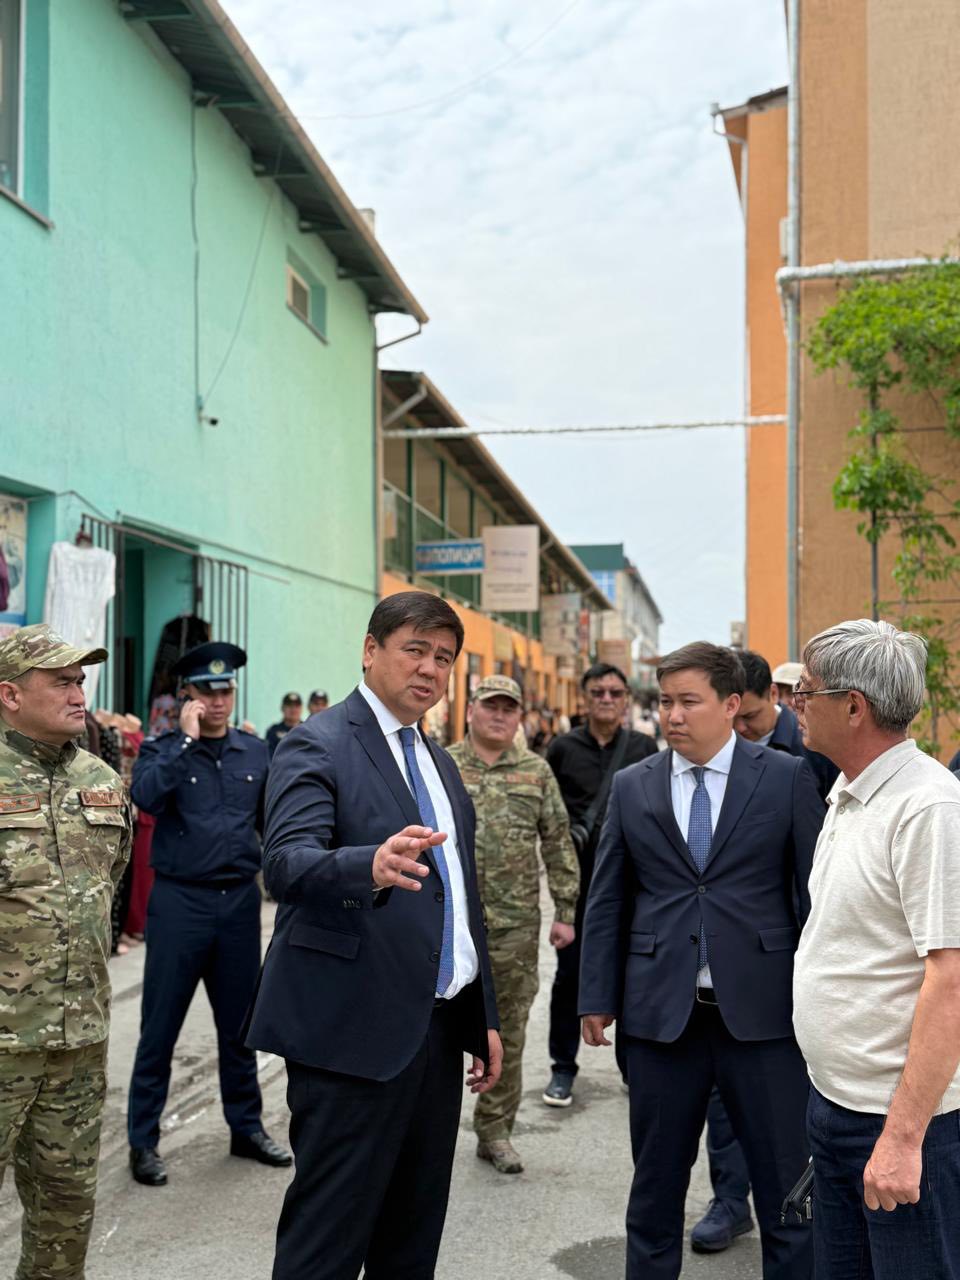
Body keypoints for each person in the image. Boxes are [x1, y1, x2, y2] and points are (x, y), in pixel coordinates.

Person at [245, 590, 501, 1280]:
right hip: (349, 1032)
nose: (430, 669)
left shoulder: (440, 762)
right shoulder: (317, 741)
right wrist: (370, 865)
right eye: (415, 650)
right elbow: (285, 862)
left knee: (411, 1241)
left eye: (443, 658)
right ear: (370, 650)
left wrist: (482, 1017)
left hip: (436, 1033)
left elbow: (460, 899)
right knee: (326, 1243)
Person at [580, 641, 823, 1280]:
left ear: (731, 704)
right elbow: (607, 898)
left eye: (689, 701)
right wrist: (596, 996)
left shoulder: (785, 777)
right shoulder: (633, 786)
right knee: (654, 1195)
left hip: (765, 1018)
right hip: (661, 1020)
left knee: (789, 1199)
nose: (673, 715)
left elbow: (812, 897)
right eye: (666, 702)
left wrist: (822, 1000)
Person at [792, 619, 960, 1277]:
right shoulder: (851, 791)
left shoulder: (929, 807)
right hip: (838, 1105)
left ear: (853, 706)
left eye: (808, 690)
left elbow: (950, 978)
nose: (796, 702)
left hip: (901, 1126)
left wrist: (903, 1138)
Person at [687, 647, 835, 1255]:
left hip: (778, 969)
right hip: (714, 975)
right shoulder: (709, 761)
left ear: (770, 700)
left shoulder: (811, 754)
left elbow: (812, 878)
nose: (741, 730)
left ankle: (792, 1211)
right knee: (720, 1101)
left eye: (749, 718)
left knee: (780, 1118)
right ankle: (729, 1201)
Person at [127, 641, 290, 1187]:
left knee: (240, 1028)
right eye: (206, 691)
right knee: (160, 1029)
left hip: (238, 903)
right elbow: (147, 798)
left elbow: (272, 823)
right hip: (180, 904)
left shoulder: (255, 752)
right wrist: (185, 741)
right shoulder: (162, 749)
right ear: (187, 696)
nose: (218, 701)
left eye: (226, 691)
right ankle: (143, 1142)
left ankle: (246, 1129)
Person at [0, 623, 131, 1280]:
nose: (79, 694)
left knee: (65, 1216)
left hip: (78, 1043)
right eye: (61, 682)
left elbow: (111, 885)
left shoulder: (101, 780)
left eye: (80, 680)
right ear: (10, 695)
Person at [449, 675, 579, 1174]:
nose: (499, 715)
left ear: (519, 717)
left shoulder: (536, 772)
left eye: (509, 708)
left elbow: (558, 841)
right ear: (471, 711)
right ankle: (427, 1130)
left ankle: (495, 1130)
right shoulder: (442, 765)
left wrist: (566, 910)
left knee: (508, 1030)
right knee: (434, 1031)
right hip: (448, 926)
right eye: (490, 706)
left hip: (514, 927)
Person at [543, 662, 658, 1107]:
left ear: (626, 699)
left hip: (633, 882)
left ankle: (632, 1067)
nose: (606, 699)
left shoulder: (644, 747)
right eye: (598, 692)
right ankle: (562, 1068)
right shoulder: (561, 749)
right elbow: (550, 819)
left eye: (614, 692)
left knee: (634, 975)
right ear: (585, 697)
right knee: (569, 978)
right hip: (578, 884)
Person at [735, 649, 838, 801]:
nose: (739, 727)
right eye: (731, 718)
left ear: (772, 694)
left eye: (750, 716)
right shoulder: (714, 746)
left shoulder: (817, 744)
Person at [266, 692, 303, 759]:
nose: (293, 709)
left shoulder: (307, 731)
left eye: (296, 706)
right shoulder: (273, 731)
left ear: (301, 708)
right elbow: (268, 756)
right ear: (282, 708)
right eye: (289, 705)